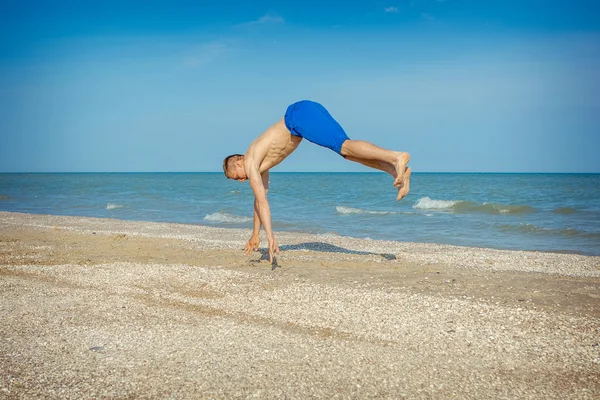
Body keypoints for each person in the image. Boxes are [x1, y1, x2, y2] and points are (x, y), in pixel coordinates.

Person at [223, 100, 411, 263]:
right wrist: (255, 234)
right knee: (347, 153)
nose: (240, 180)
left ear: (239, 162)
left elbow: (262, 202)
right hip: (301, 116)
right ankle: (393, 170)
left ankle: (396, 156)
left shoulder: (251, 161)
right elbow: (259, 199)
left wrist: (270, 237)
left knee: (344, 146)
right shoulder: (258, 165)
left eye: (236, 176)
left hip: (298, 115)